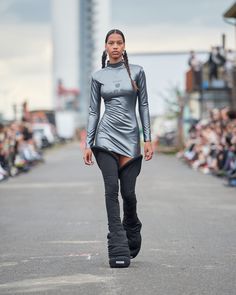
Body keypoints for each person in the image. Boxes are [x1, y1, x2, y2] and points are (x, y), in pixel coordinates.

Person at [83, 29, 153, 268]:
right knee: (111, 190)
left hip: (131, 139)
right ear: (105, 47)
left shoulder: (138, 72)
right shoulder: (97, 76)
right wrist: (88, 143)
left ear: (124, 46)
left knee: (129, 195)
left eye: (119, 42)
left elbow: (143, 105)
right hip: (105, 138)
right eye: (111, 43)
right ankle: (118, 247)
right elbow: (93, 111)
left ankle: (132, 225)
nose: (115, 46)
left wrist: (148, 139)